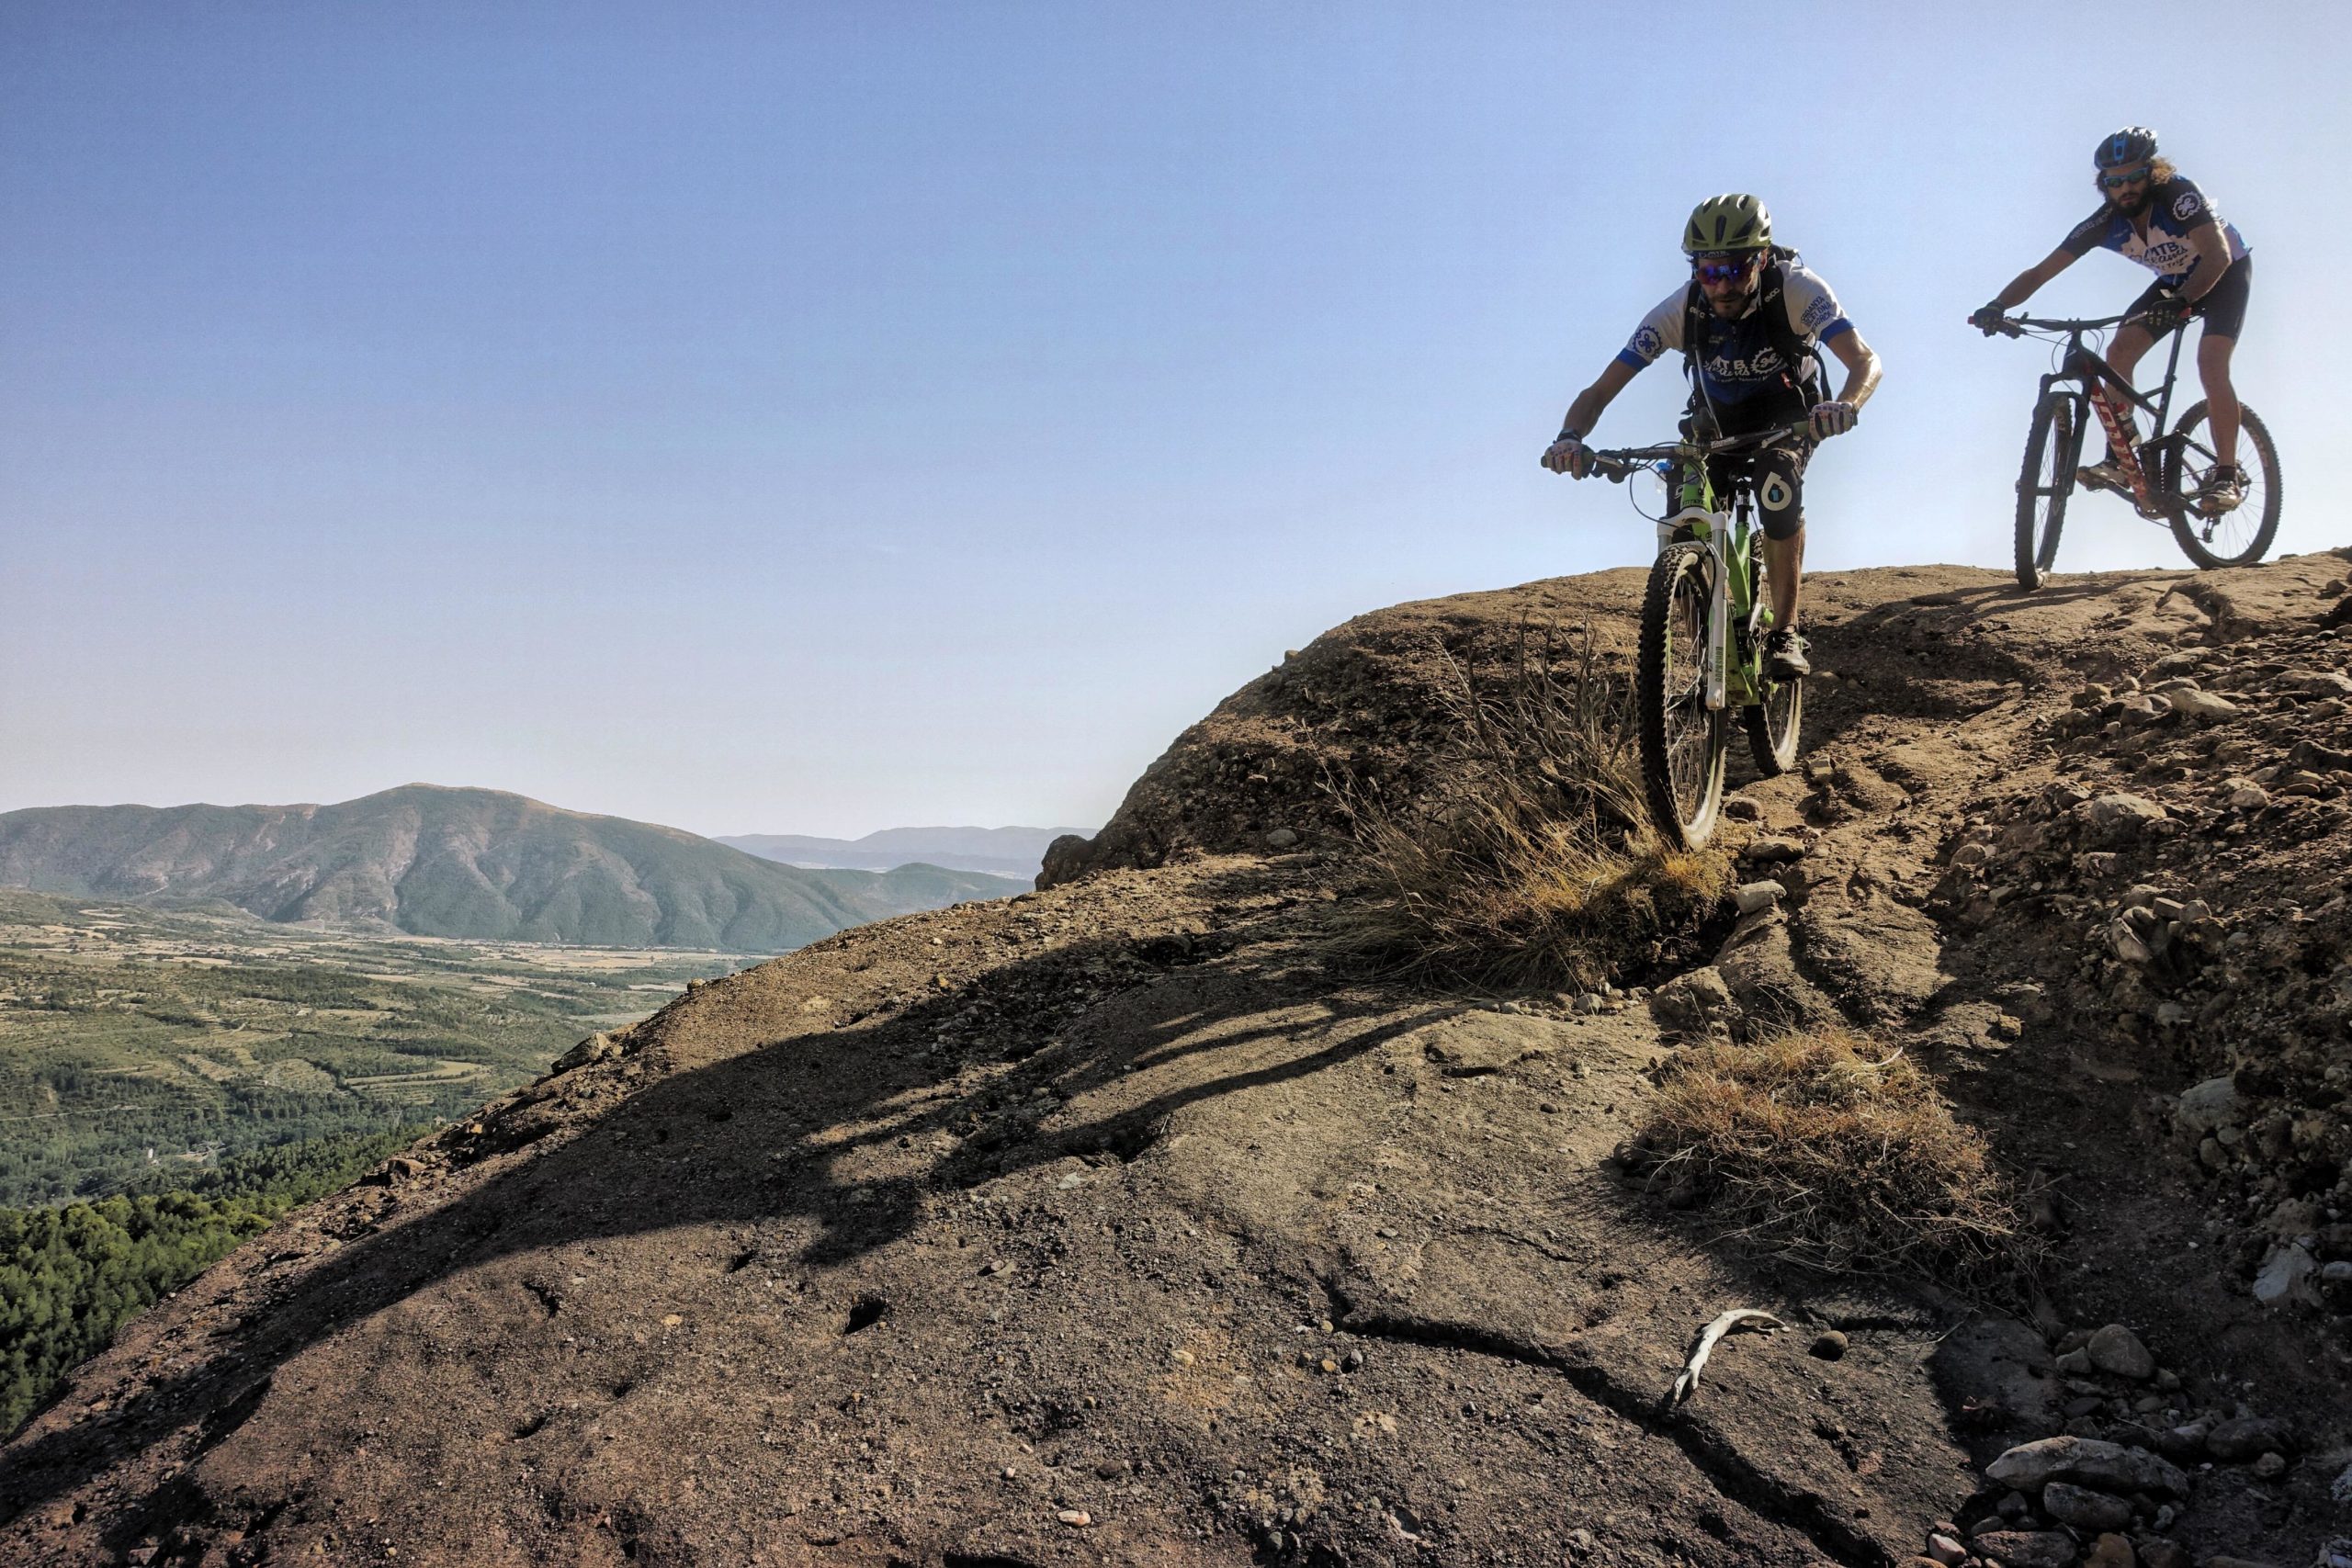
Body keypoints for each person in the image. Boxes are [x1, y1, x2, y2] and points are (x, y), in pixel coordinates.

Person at [1542, 194, 1882, 679]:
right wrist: (1569, 436)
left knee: (1776, 484)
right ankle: (1708, 650)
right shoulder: (1679, 310)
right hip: (1716, 425)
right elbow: (1598, 391)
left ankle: (1785, 630)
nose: (1720, 285)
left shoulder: (1797, 290)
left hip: (1791, 418)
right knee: (1682, 517)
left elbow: (1865, 360)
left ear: (1762, 258)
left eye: (1734, 269)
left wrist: (1846, 403)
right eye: (1707, 271)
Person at [1973, 127, 2252, 508]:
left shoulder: (2178, 196)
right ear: (2103, 184)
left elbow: (2216, 256)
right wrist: (1997, 305)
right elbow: (2040, 272)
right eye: (2115, 182)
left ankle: (2226, 475)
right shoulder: (2104, 221)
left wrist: (2185, 298)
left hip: (2225, 274)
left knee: (2211, 364)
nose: (2126, 188)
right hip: (2174, 283)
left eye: (2135, 176)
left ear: (2153, 172)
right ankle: (2121, 456)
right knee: (2119, 352)